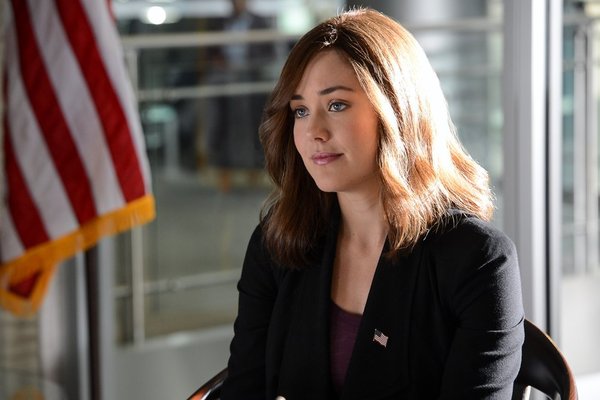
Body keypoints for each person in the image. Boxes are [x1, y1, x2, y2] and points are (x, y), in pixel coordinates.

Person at [220, 8, 524, 400]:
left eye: (336, 105)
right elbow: (243, 388)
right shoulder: (277, 241)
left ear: (397, 110)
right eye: (300, 110)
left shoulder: (479, 260)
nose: (313, 131)